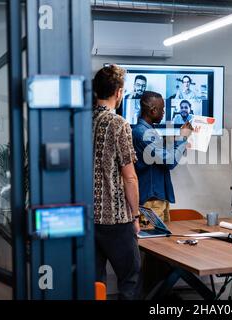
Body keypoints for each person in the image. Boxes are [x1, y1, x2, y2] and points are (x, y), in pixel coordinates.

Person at [92, 64, 142, 300]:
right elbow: (129, 176)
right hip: (115, 218)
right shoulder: (119, 124)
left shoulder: (83, 121)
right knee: (130, 279)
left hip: (86, 217)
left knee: (94, 283)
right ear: (119, 92)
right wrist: (135, 216)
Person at [132, 91, 193, 222]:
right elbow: (170, 161)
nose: (164, 112)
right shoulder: (144, 133)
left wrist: (179, 139)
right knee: (154, 242)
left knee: (163, 238)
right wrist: (183, 138)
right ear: (153, 110)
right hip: (151, 203)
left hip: (157, 200)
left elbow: (164, 156)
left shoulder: (147, 131)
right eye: (162, 109)